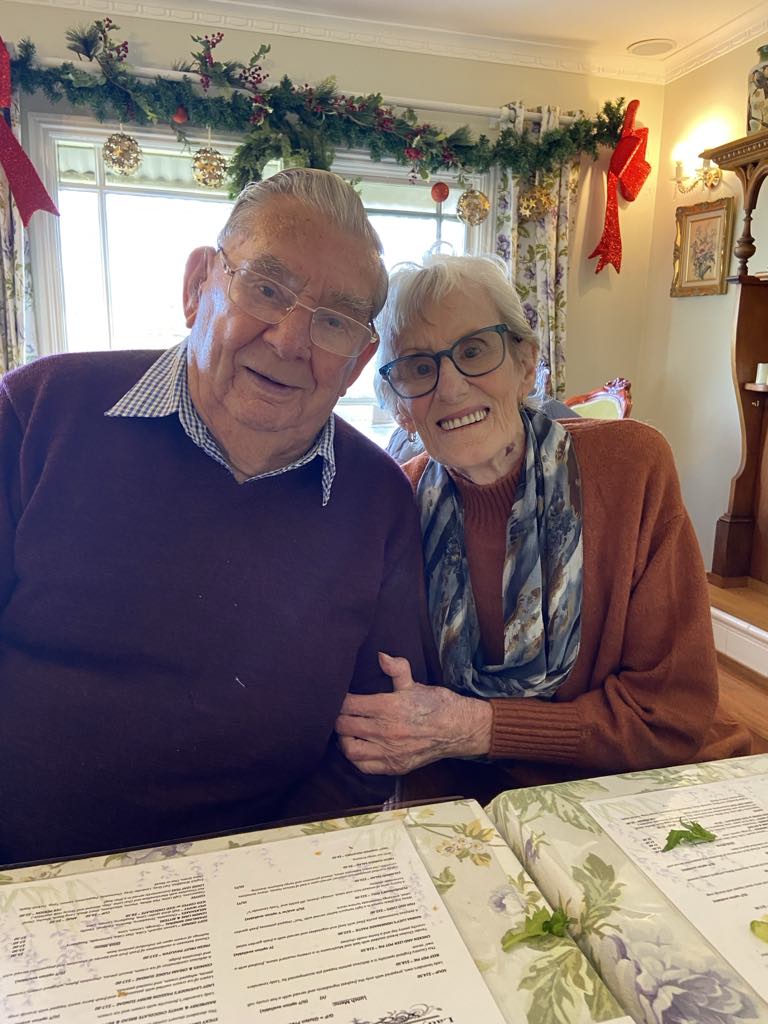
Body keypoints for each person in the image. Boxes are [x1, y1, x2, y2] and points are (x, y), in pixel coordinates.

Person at [0, 169, 432, 866]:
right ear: (198, 285)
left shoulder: (379, 499)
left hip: (264, 875)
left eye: (333, 322)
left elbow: (372, 737)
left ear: (357, 363)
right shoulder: (37, 413)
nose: (290, 340)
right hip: (25, 877)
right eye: (267, 289)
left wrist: (265, 871)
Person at [335, 255, 750, 803]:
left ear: (526, 364)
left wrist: (479, 728)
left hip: (641, 787)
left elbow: (670, 715)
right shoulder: (396, 504)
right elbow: (395, 717)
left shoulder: (631, 468)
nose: (451, 388)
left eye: (474, 351)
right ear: (401, 408)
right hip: (479, 800)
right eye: (418, 367)